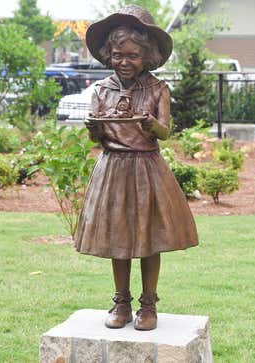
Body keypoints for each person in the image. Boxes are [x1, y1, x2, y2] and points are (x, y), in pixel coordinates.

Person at [74, 5, 198, 331]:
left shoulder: (158, 89)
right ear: (108, 54)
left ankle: (149, 303)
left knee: (148, 239)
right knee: (119, 238)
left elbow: (166, 132)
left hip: (146, 168)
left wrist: (150, 123)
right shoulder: (102, 90)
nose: (125, 62)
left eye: (132, 56)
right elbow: (97, 136)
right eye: (118, 55)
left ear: (147, 55)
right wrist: (92, 127)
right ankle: (121, 301)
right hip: (113, 167)